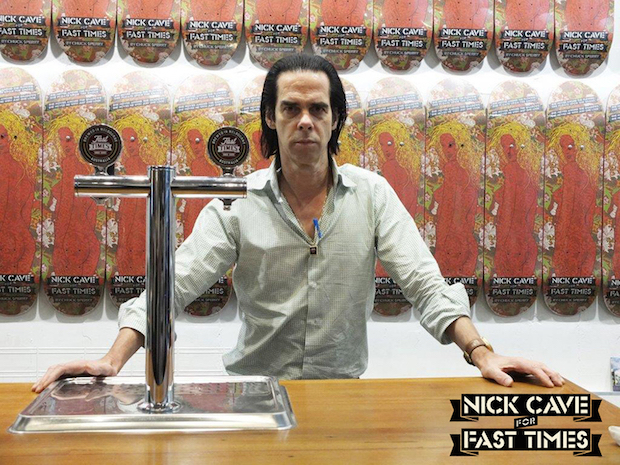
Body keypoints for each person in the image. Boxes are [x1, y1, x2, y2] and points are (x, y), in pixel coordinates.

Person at [33, 54, 563, 393]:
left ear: (335, 119)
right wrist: (112, 359)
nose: (305, 121)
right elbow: (171, 286)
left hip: (342, 395)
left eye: (318, 109)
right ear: (270, 117)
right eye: (290, 109)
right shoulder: (237, 201)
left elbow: (426, 286)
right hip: (253, 394)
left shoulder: (372, 194)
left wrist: (482, 353)